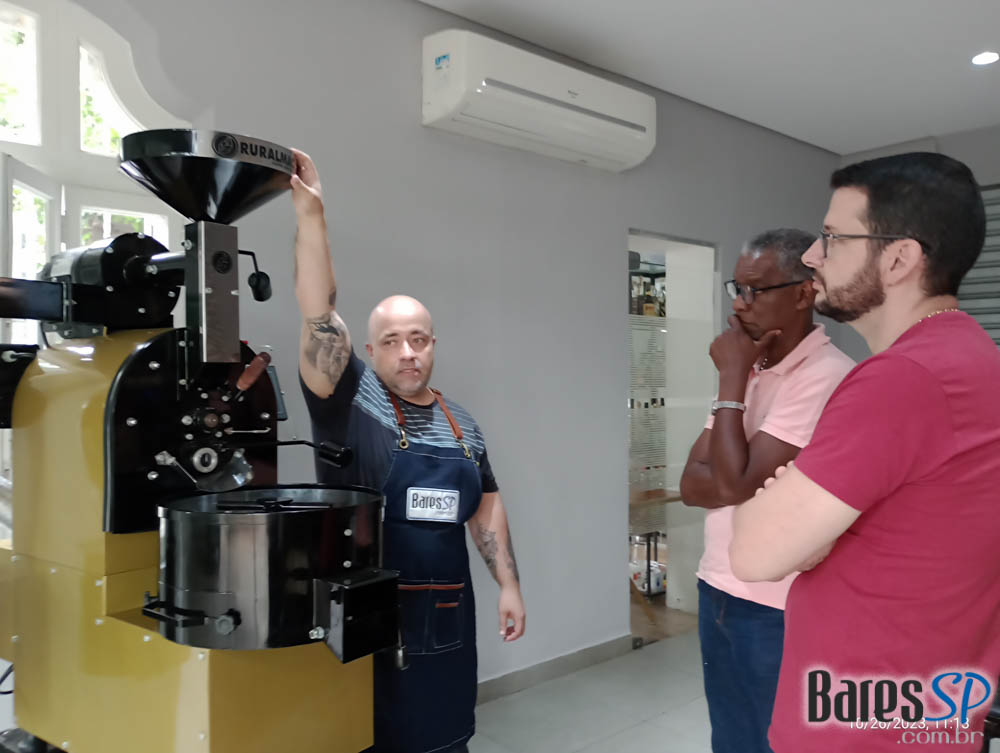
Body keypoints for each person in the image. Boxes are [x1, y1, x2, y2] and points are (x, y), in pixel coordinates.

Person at [730, 152, 1000, 752]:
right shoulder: (976, 359)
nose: (812, 256)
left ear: (899, 259)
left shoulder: (904, 379)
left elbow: (753, 552)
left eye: (832, 238)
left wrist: (793, 512)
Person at [290, 149, 526, 753]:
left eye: (418, 339)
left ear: (433, 345)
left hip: (447, 620)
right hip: (367, 623)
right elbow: (319, 314)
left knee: (447, 741)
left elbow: (486, 507)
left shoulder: (462, 425)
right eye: (392, 341)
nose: (408, 352)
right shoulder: (351, 402)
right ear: (370, 352)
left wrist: (508, 585)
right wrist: (312, 215)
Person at [680, 228, 854, 753]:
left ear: (804, 293)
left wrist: (731, 381)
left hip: (778, 603)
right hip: (717, 585)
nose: (739, 304)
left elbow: (732, 482)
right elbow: (691, 483)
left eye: (755, 290)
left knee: (773, 739)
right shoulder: (753, 370)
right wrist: (739, 382)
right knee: (730, 736)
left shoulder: (826, 376)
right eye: (737, 288)